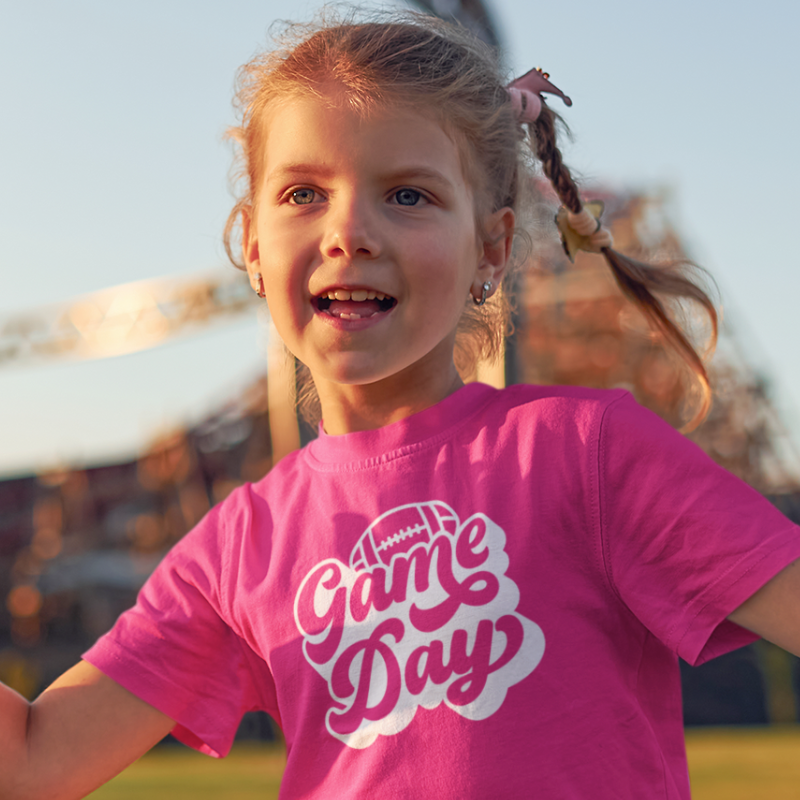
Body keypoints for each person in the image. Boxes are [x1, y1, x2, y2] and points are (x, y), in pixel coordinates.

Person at [3, 10, 800, 799]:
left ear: (490, 247)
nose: (350, 230)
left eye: (409, 196)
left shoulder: (587, 452)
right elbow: (35, 761)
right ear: (250, 241)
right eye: (304, 192)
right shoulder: (235, 550)